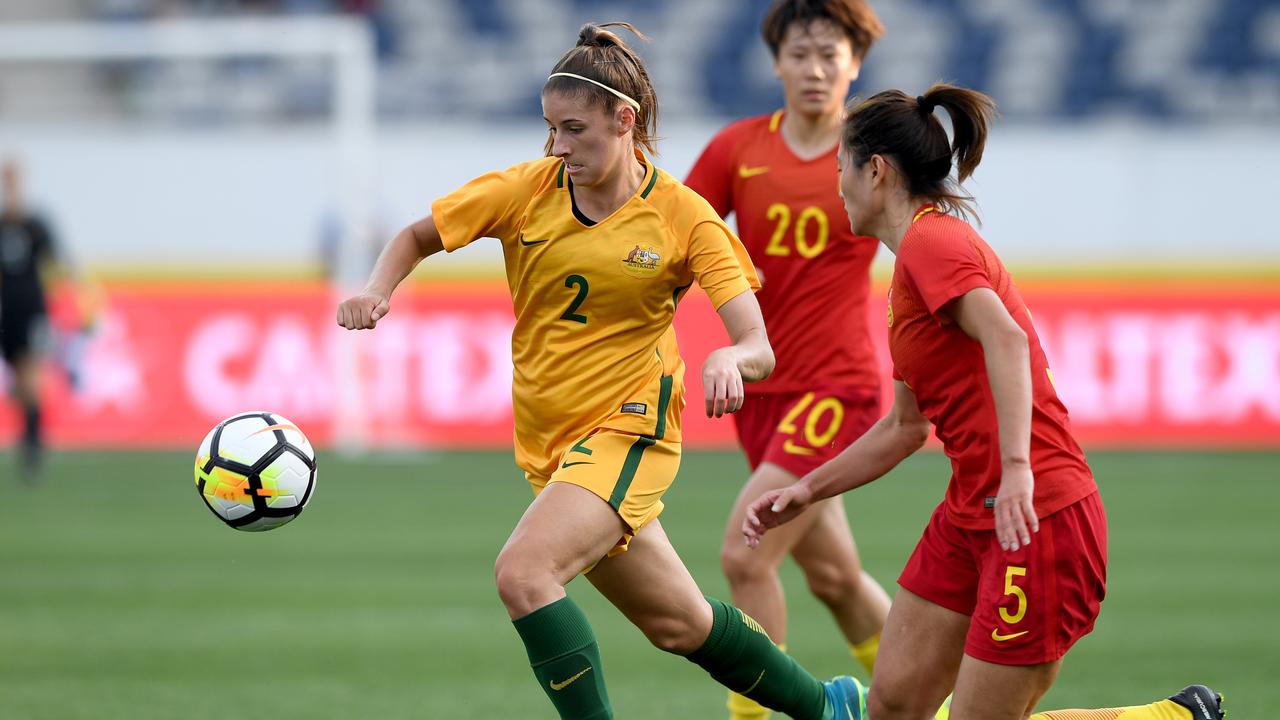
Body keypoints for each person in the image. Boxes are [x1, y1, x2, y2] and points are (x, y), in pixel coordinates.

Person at [337, 22, 872, 720]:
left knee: (525, 574)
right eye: (550, 129)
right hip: (552, 446)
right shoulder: (527, 189)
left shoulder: (684, 217)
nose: (558, 147)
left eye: (573, 129)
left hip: (630, 430)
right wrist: (380, 289)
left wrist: (727, 357)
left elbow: (755, 342)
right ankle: (832, 706)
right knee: (681, 624)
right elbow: (417, 235)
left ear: (625, 120)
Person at [741, 84, 1226, 720]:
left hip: (1039, 517)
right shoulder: (909, 271)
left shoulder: (930, 243)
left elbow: (1006, 335)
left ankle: (1172, 717)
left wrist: (1020, 469)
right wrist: (807, 491)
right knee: (892, 707)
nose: (837, 187)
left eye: (840, 170)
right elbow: (903, 428)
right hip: (971, 515)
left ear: (876, 171)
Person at [684, 4, 891, 717]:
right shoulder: (735, 150)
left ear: (855, 63)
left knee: (747, 554)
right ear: (776, 62)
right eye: (800, 54)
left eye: (831, 55)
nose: (815, 69)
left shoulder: (872, 155)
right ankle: (938, 701)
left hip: (838, 389)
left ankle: (763, 715)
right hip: (764, 395)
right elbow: (675, 235)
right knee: (834, 576)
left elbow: (925, 245)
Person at [1, 157, 63, 480]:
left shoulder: (35, 224)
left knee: (30, 373)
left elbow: (55, 263)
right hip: (5, 311)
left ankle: (33, 442)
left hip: (31, 309)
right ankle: (28, 432)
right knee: (17, 380)